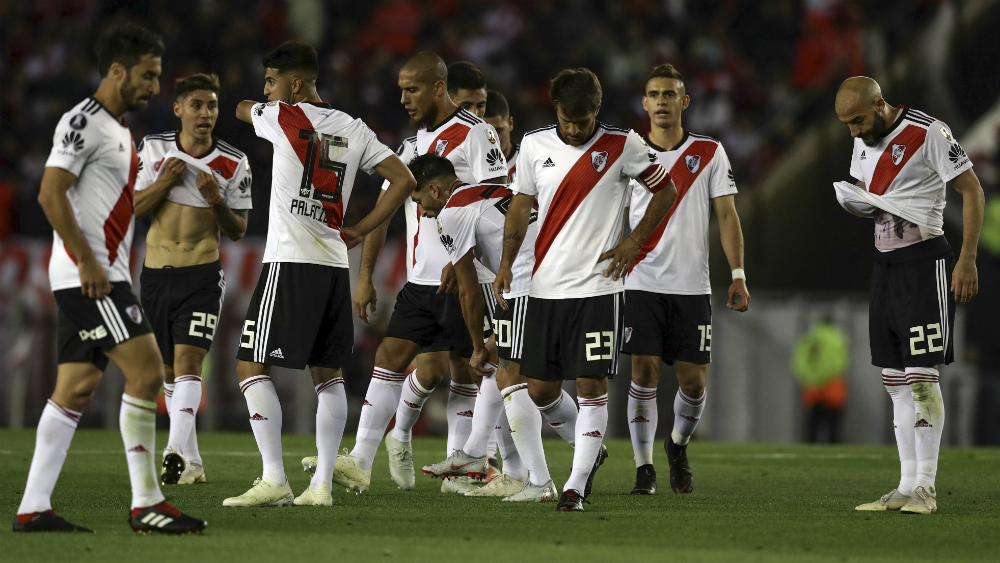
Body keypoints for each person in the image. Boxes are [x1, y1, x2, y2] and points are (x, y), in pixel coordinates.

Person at [14, 24, 206, 534]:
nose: (154, 87)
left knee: (75, 389)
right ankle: (147, 503)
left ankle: (33, 508)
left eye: (157, 76)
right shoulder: (84, 121)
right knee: (147, 371)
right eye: (147, 75)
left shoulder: (119, 131)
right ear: (117, 70)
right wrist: (88, 261)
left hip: (101, 273)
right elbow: (50, 192)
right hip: (92, 277)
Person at [223, 41, 416, 508]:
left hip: (290, 261)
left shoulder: (281, 116)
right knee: (328, 375)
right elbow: (405, 180)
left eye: (271, 82)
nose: (266, 91)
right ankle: (322, 486)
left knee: (250, 367)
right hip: (333, 265)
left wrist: (254, 105)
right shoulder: (355, 127)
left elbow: (240, 108)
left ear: (294, 85)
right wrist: (363, 228)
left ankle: (274, 479)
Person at [316, 52, 507, 496]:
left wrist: (465, 259)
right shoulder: (407, 148)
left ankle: (475, 464)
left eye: (412, 89)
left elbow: (498, 198)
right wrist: (365, 276)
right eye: (401, 90)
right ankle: (361, 461)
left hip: (467, 279)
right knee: (388, 357)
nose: (403, 98)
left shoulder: (476, 134)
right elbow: (383, 213)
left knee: (473, 371)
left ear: (438, 87)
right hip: (420, 281)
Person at [496, 68, 677, 511]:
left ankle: (574, 487)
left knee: (591, 384)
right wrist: (505, 263)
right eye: (566, 120)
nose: (574, 130)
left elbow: (666, 191)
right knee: (539, 390)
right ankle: (590, 451)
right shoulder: (535, 145)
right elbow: (520, 205)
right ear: (555, 109)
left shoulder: (623, 144)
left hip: (598, 289)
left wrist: (635, 241)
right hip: (543, 288)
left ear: (597, 109)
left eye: (582, 121)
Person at [834, 76, 984, 515]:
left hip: (924, 263)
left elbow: (972, 190)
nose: (854, 131)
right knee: (894, 381)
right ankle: (904, 486)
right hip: (884, 265)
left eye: (858, 120)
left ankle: (926, 488)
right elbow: (870, 194)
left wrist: (967, 259)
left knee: (921, 377)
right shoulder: (861, 142)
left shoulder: (929, 132)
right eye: (847, 124)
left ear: (879, 103)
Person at [411, 154, 579, 502]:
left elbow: (469, 291)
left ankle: (542, 482)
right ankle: (476, 451)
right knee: (513, 373)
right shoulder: (492, 191)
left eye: (419, 199)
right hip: (563, 276)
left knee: (510, 378)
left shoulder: (451, 213)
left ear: (435, 189)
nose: (421, 210)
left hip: (529, 285)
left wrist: (475, 344)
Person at [621, 64, 750, 496]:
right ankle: (644, 468)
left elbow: (727, 216)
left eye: (669, 94)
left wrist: (738, 275)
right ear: (645, 103)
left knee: (693, 383)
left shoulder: (709, 152)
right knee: (643, 371)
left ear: (684, 102)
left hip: (692, 286)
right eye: (654, 94)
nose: (661, 101)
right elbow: (615, 215)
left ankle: (676, 444)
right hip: (640, 279)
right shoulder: (630, 152)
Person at [134, 73, 252, 486]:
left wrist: (216, 201)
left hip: (201, 277)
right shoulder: (153, 149)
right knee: (168, 371)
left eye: (212, 106)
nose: (206, 113)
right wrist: (164, 182)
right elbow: (131, 208)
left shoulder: (234, 162)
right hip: (154, 276)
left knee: (188, 363)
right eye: (197, 105)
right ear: (178, 109)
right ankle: (194, 462)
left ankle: (172, 452)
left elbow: (238, 230)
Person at [792, 317, 849, 444]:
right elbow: (839, 364)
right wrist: (825, 378)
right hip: (831, 387)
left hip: (811, 387)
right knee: (833, 427)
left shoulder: (808, 337)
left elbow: (799, 360)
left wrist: (809, 377)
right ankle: (833, 450)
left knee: (811, 425)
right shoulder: (836, 338)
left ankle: (808, 451)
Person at [483, 90, 519, 184]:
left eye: (498, 131)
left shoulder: (533, 165)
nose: (492, 140)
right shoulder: (463, 170)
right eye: (485, 133)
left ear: (510, 124)